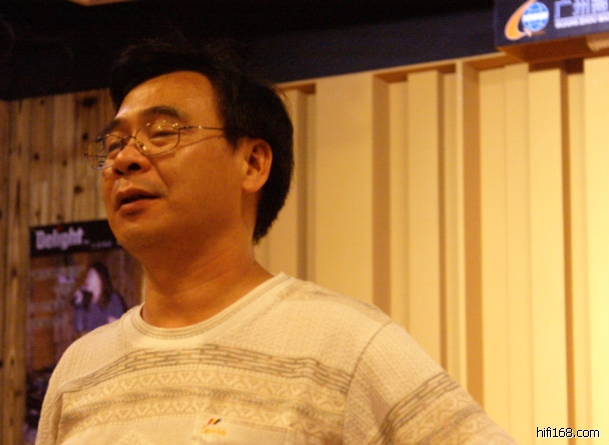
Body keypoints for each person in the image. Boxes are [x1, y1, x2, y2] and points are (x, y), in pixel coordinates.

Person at [36, 38, 518, 445]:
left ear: (252, 164)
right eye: (115, 144)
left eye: (162, 133)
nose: (125, 159)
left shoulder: (344, 345)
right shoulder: (79, 368)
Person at [71, 261, 126, 335]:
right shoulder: (86, 302)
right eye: (87, 276)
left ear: (100, 279)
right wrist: (79, 305)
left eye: (91, 276)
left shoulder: (113, 299)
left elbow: (118, 326)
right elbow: (79, 328)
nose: (87, 279)